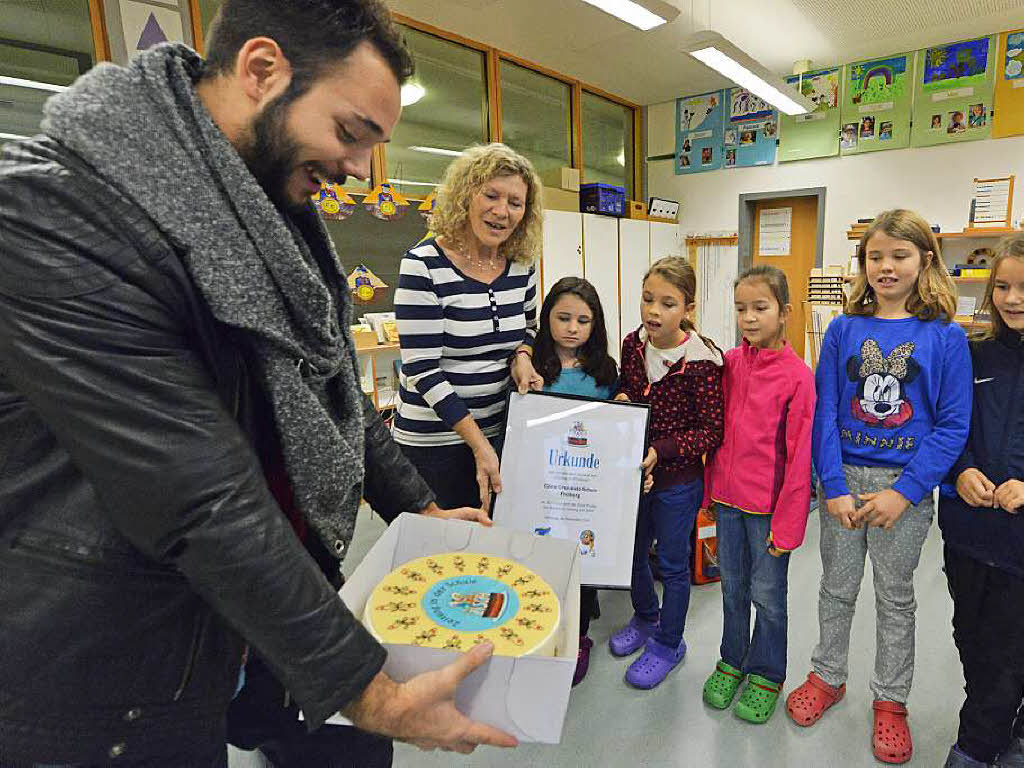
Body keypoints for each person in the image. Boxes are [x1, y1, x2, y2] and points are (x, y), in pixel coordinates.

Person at [0, 2, 515, 765]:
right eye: (350, 133)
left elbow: (330, 394)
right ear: (262, 70)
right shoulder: (55, 214)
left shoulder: (265, 214)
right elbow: (199, 494)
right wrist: (366, 690)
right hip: (110, 661)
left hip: (275, 590)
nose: (360, 169)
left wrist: (426, 508)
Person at [785, 209, 972, 765]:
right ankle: (828, 674)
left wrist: (906, 491)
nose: (886, 267)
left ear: (925, 261)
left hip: (903, 492)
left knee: (895, 599)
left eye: (899, 256)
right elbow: (825, 414)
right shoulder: (844, 328)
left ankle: (890, 700)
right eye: (875, 257)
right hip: (844, 485)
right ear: (862, 264)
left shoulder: (944, 336)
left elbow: (952, 424)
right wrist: (833, 485)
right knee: (835, 589)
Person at [393, 143, 543, 512]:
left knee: (490, 548)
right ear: (465, 196)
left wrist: (523, 355)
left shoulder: (523, 264)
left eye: (515, 202)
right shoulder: (423, 265)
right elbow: (421, 368)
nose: (501, 211)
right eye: (490, 195)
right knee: (439, 554)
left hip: (498, 430)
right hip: (432, 444)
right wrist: (478, 444)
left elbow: (529, 326)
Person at [701, 265, 816, 724]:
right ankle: (733, 659)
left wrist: (788, 526)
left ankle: (767, 672)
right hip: (727, 505)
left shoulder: (798, 378)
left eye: (760, 308)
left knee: (768, 596)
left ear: (784, 312)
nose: (749, 318)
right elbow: (717, 432)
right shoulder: (728, 364)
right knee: (732, 589)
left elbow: (800, 458)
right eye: (741, 308)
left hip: (769, 514)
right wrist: (709, 491)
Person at [609, 256, 725, 689]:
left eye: (668, 303)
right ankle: (645, 616)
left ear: (688, 309)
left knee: (674, 566)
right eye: (647, 299)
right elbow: (626, 386)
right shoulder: (631, 345)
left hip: (678, 483)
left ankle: (669, 642)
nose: (654, 311)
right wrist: (622, 398)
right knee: (633, 552)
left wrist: (663, 449)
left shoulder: (702, 362)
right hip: (634, 474)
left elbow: (712, 430)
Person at [939, 235, 1024, 768]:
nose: (1013, 298)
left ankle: (977, 744)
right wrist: (961, 468)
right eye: (1005, 286)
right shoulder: (972, 354)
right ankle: (1002, 726)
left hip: (1018, 545)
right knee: (971, 636)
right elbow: (947, 429)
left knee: (1007, 646)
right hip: (969, 535)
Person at [528, 276, 618, 686]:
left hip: (587, 487)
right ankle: (544, 626)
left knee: (581, 561)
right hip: (543, 482)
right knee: (543, 558)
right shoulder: (533, 367)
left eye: (583, 320)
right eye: (562, 318)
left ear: (594, 325)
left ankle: (578, 638)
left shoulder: (604, 370)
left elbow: (615, 425)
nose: (571, 328)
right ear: (547, 316)